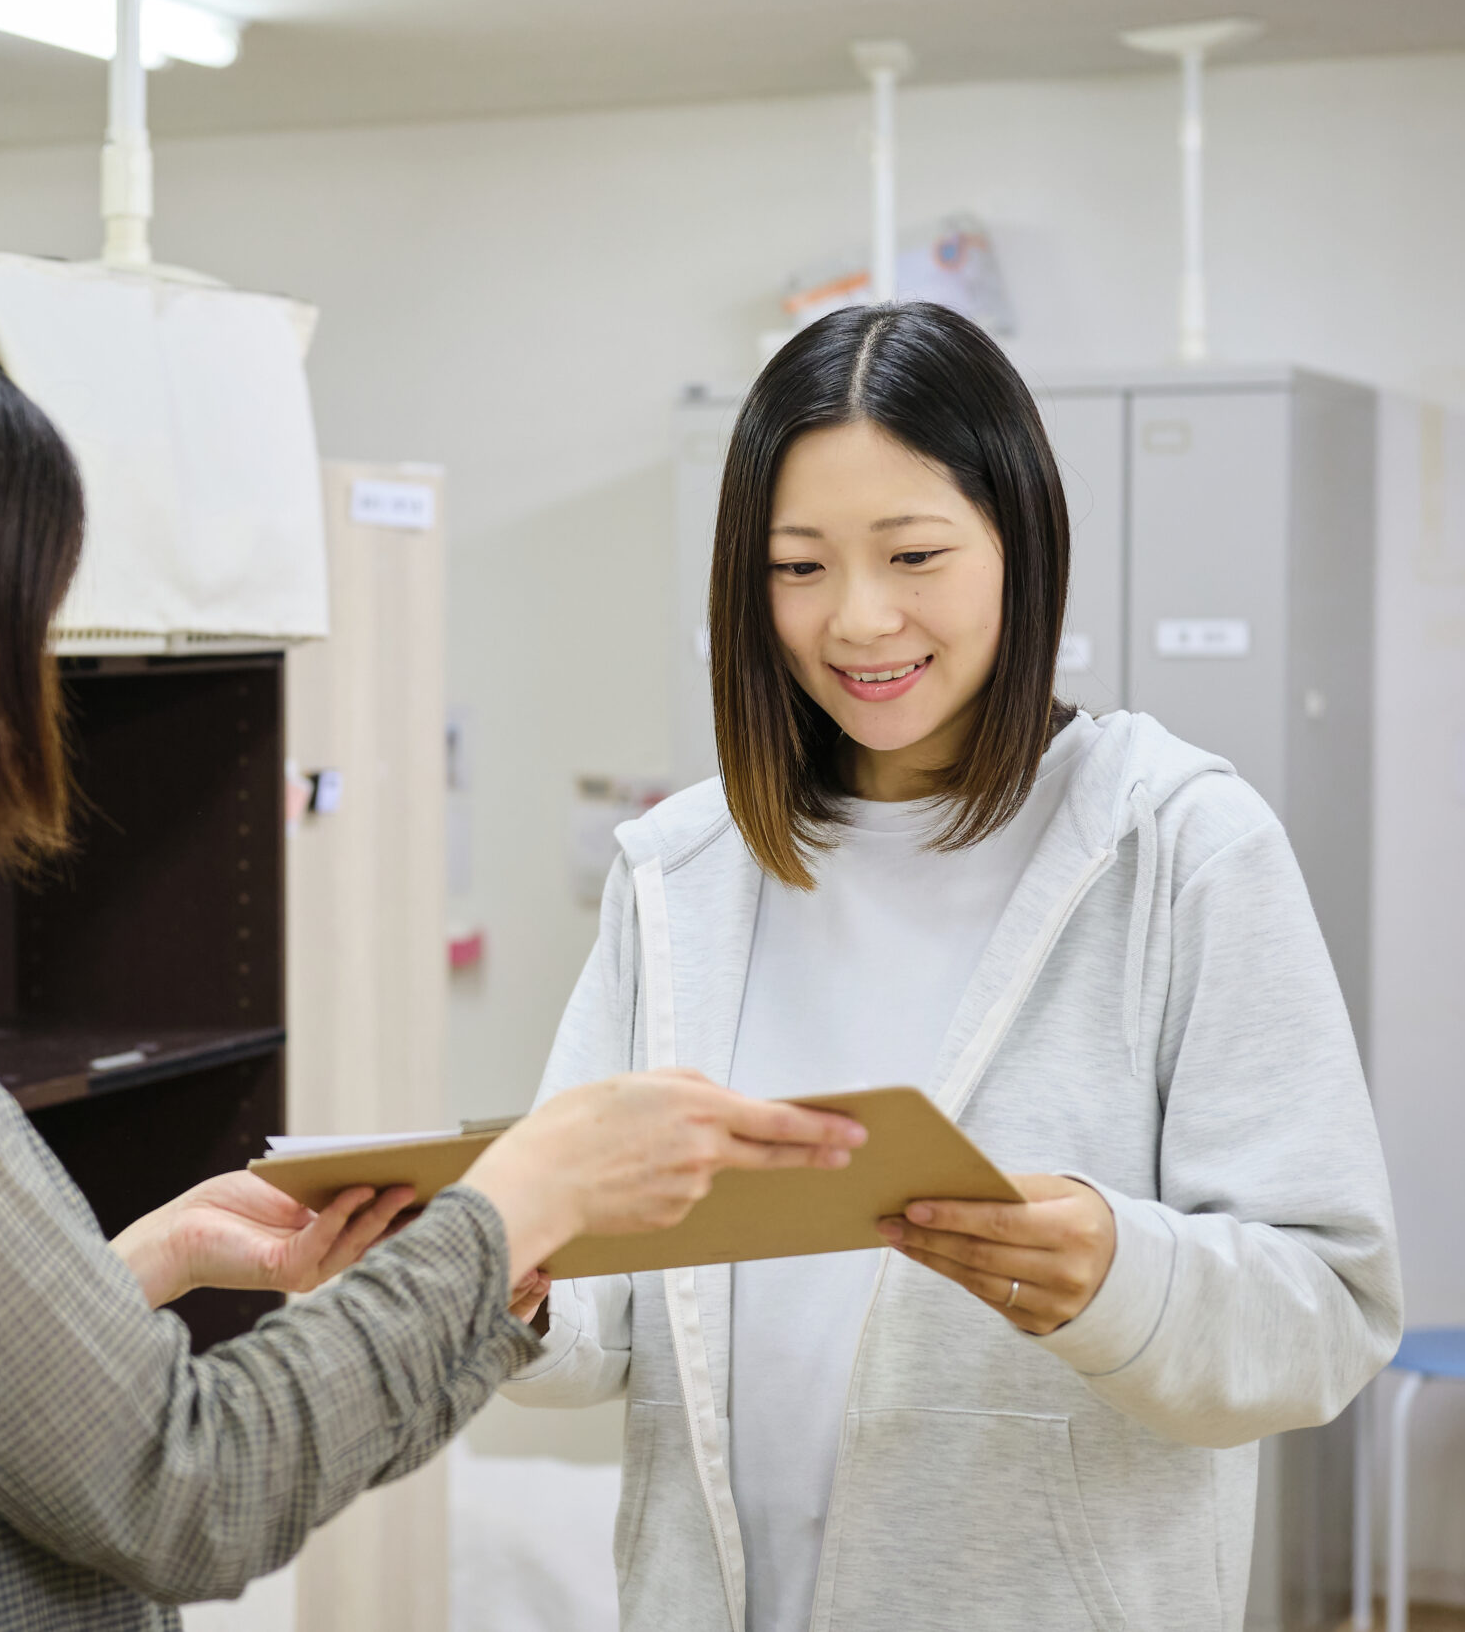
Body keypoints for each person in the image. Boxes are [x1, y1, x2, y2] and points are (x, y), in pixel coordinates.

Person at [0, 292, 867, 1631]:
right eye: (15, 620)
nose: (29, 677)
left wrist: (115, 1279)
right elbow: (187, 1487)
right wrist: (511, 1209)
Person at [500, 302, 1403, 1632]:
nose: (859, 621)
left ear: (1019, 546)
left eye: (914, 554)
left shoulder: (1178, 845)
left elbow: (1328, 1313)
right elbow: (605, 1323)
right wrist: (509, 1283)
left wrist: (1118, 1274)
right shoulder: (681, 872)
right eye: (798, 567)